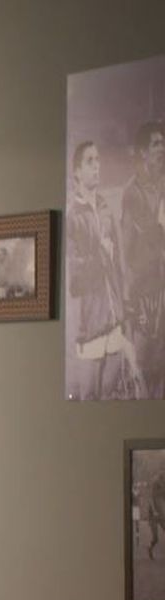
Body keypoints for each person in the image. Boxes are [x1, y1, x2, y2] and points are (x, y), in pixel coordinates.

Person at [67, 140, 139, 399]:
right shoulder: (72, 216)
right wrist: (100, 255)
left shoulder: (107, 209)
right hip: (90, 326)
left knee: (110, 400)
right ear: (77, 172)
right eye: (90, 161)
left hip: (114, 322)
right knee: (88, 398)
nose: (97, 166)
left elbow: (119, 266)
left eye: (98, 160)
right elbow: (74, 278)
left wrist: (124, 311)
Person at [120, 121, 165, 398]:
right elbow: (132, 248)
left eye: (163, 144)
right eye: (156, 144)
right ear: (143, 153)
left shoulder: (161, 185)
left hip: (161, 287)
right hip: (144, 293)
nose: (162, 149)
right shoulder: (133, 193)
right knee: (146, 365)